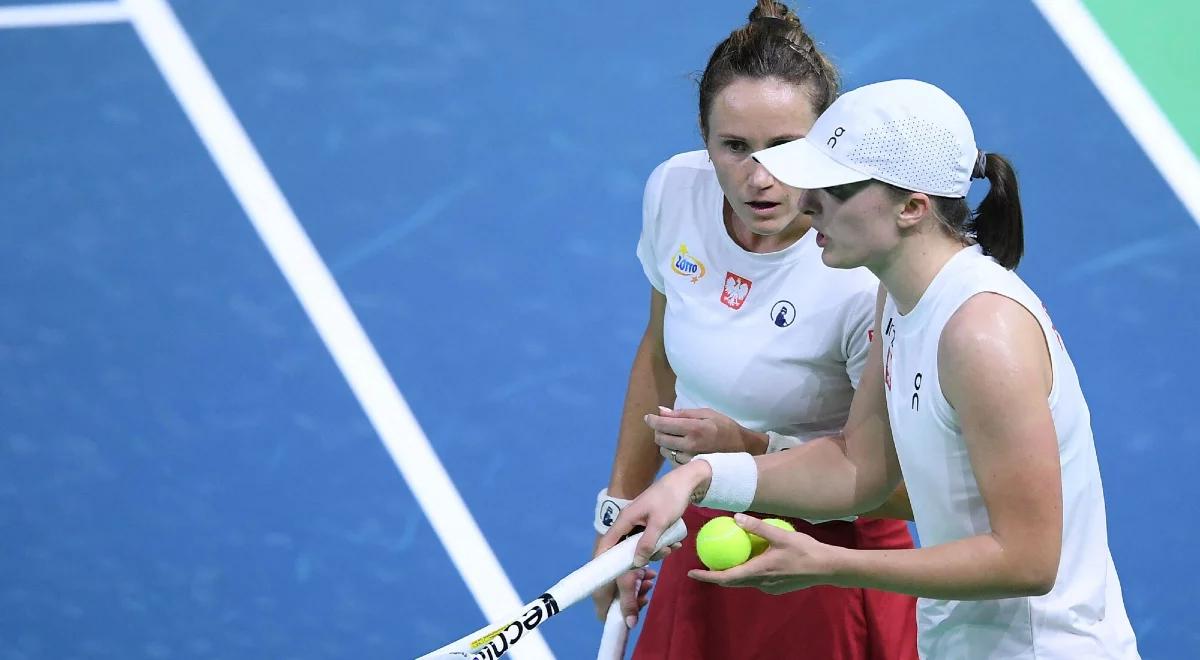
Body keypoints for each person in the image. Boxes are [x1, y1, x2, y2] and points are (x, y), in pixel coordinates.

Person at [600, 79, 1141, 658]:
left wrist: (831, 562)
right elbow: (860, 468)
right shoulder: (898, 300)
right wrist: (699, 477)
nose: (806, 204)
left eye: (833, 190)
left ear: (912, 207)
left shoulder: (982, 336)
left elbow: (1028, 560)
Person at [591, 2, 918, 658]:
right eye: (734, 147)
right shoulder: (672, 193)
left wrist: (746, 450)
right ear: (704, 139)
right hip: (704, 528)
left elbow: (911, 490)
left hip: (827, 560)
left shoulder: (867, 278)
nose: (759, 178)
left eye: (785, 148)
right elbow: (660, 355)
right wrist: (618, 512)